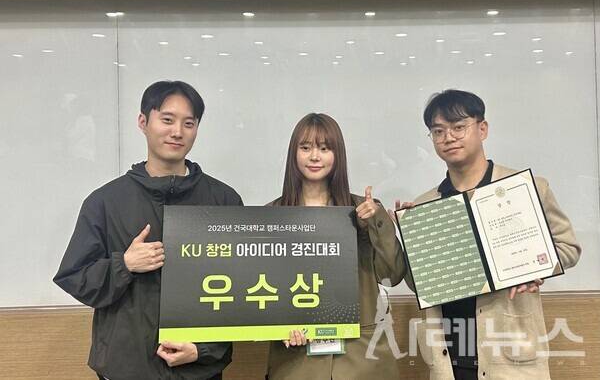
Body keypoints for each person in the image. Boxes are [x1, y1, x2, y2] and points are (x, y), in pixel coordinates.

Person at [54, 81, 243, 380]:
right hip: (127, 368)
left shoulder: (223, 200)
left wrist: (205, 349)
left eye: (189, 123)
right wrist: (124, 264)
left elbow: (241, 289)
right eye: (167, 119)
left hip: (198, 370)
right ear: (143, 122)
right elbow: (74, 277)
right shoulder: (105, 201)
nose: (177, 131)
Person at [395, 89, 581, 380]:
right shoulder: (425, 204)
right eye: (438, 131)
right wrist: (413, 237)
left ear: (482, 129)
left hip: (510, 354)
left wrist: (534, 268)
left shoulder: (524, 189)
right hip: (450, 357)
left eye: (458, 127)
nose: (448, 137)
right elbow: (418, 284)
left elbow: (568, 247)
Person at [266, 113, 406, 380]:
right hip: (297, 363)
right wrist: (278, 327)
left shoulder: (364, 209)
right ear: (294, 153)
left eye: (324, 148)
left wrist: (377, 222)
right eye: (305, 147)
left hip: (361, 361)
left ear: (337, 154)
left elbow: (392, 275)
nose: (314, 157)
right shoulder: (272, 215)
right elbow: (259, 291)